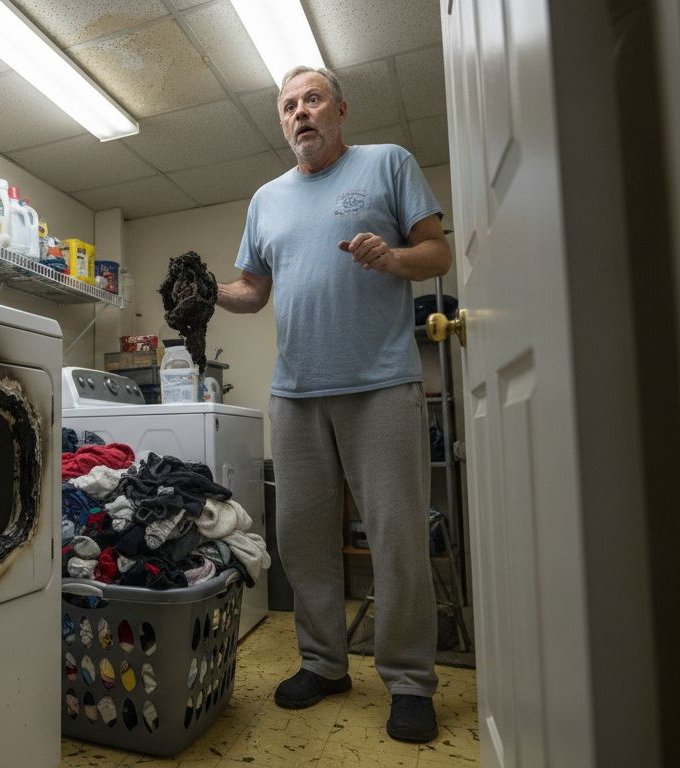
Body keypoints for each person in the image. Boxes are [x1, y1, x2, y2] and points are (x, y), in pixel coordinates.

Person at [216, 65, 451, 743]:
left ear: (340, 109)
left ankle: (408, 679)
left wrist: (393, 258)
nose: (300, 113)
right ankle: (323, 663)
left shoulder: (388, 164)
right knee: (302, 539)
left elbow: (436, 253)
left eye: (312, 99)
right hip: (295, 390)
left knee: (397, 536)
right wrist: (209, 290)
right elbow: (252, 290)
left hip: (380, 382)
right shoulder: (266, 199)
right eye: (288, 106)